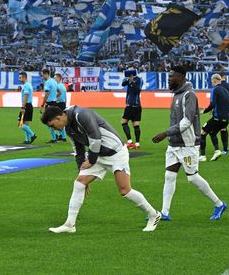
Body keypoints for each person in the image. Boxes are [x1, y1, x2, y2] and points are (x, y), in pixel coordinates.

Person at [41, 105, 161, 233]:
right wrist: (81, 171)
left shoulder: (81, 115)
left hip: (116, 152)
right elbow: (78, 150)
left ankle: (154, 214)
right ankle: (70, 224)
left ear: (58, 118)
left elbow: (95, 137)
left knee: (125, 190)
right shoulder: (68, 126)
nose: (53, 129)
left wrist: (91, 160)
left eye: (52, 125)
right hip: (98, 154)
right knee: (80, 182)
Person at [152, 66, 227, 222]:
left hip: (187, 145)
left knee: (192, 178)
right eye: (168, 76)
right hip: (174, 144)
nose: (169, 79)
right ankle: (165, 212)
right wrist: (170, 137)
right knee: (169, 176)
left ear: (181, 77)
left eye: (171, 77)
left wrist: (166, 133)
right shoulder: (176, 95)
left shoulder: (189, 95)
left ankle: (219, 204)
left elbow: (187, 121)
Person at [200, 74, 229, 161]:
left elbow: (212, 104)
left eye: (212, 81)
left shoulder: (215, 90)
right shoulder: (226, 91)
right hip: (226, 119)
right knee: (212, 133)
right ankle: (217, 151)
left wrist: (204, 111)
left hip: (218, 118)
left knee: (203, 132)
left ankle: (202, 156)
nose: (211, 83)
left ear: (214, 81)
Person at [121, 69, 142, 150]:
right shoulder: (128, 79)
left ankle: (132, 142)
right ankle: (135, 143)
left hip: (134, 105)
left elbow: (138, 90)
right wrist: (128, 80)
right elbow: (123, 84)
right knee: (135, 124)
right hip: (131, 105)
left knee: (126, 122)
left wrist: (132, 81)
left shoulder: (139, 80)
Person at [40, 68, 59, 143]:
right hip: (54, 103)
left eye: (43, 75)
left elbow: (46, 94)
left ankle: (54, 138)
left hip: (49, 104)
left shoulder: (47, 82)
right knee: (52, 120)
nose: (42, 77)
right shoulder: (54, 81)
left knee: (46, 121)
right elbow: (59, 92)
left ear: (46, 74)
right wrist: (54, 97)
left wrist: (42, 104)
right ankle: (55, 135)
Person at [19, 71, 37, 144]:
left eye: (20, 78)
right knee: (26, 124)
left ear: (24, 77)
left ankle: (33, 135)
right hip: (29, 105)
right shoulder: (29, 85)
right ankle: (27, 139)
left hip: (26, 105)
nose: (19, 79)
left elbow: (26, 96)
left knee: (20, 124)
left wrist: (23, 107)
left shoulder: (26, 86)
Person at [54, 73, 68, 142]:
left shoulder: (58, 86)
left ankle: (63, 137)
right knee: (59, 120)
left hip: (59, 104)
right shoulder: (63, 86)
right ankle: (61, 135)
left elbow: (57, 95)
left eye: (55, 78)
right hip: (62, 104)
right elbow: (65, 97)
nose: (54, 79)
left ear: (59, 78)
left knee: (59, 120)